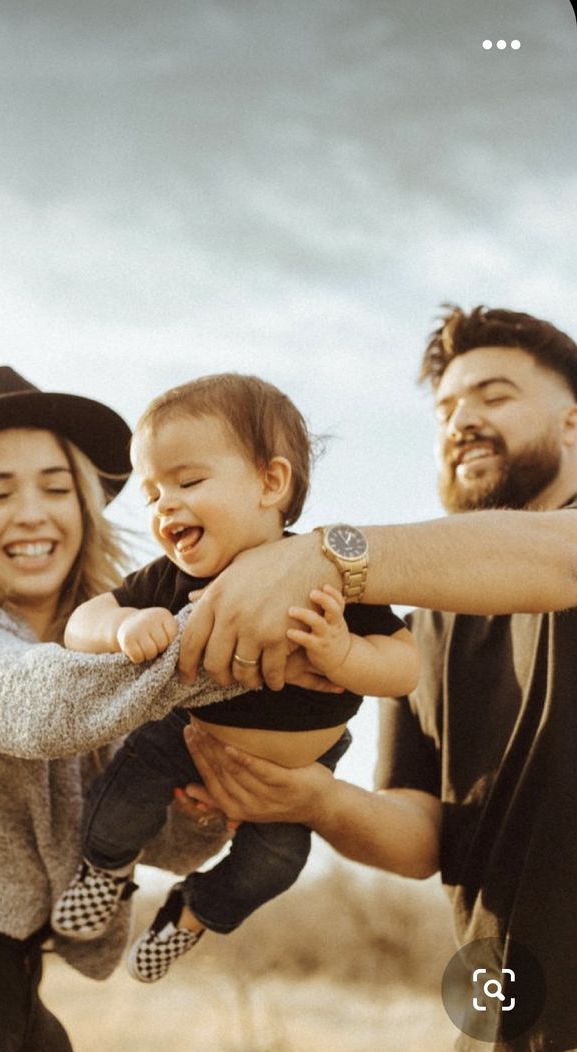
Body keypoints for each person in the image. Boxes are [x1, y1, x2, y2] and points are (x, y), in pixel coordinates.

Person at [182, 307, 577, 1052]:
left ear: (573, 423)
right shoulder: (425, 625)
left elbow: (557, 557)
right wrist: (313, 798)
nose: (463, 420)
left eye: (494, 397)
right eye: (447, 409)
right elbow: (425, 835)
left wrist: (331, 553)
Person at [0, 365, 253, 1052]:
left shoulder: (99, 660)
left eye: (56, 488)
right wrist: (234, 639)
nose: (32, 512)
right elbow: (36, 706)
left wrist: (206, 805)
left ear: (84, 507)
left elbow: (138, 832)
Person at [50, 373, 418, 983]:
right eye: (152, 493)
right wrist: (124, 626)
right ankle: (105, 872)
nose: (165, 504)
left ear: (271, 483)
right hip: (190, 737)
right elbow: (80, 622)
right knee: (124, 796)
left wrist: (343, 654)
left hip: (296, 777)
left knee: (276, 862)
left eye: (189, 481)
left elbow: (405, 665)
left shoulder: (324, 572)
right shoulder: (168, 581)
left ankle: (192, 915)